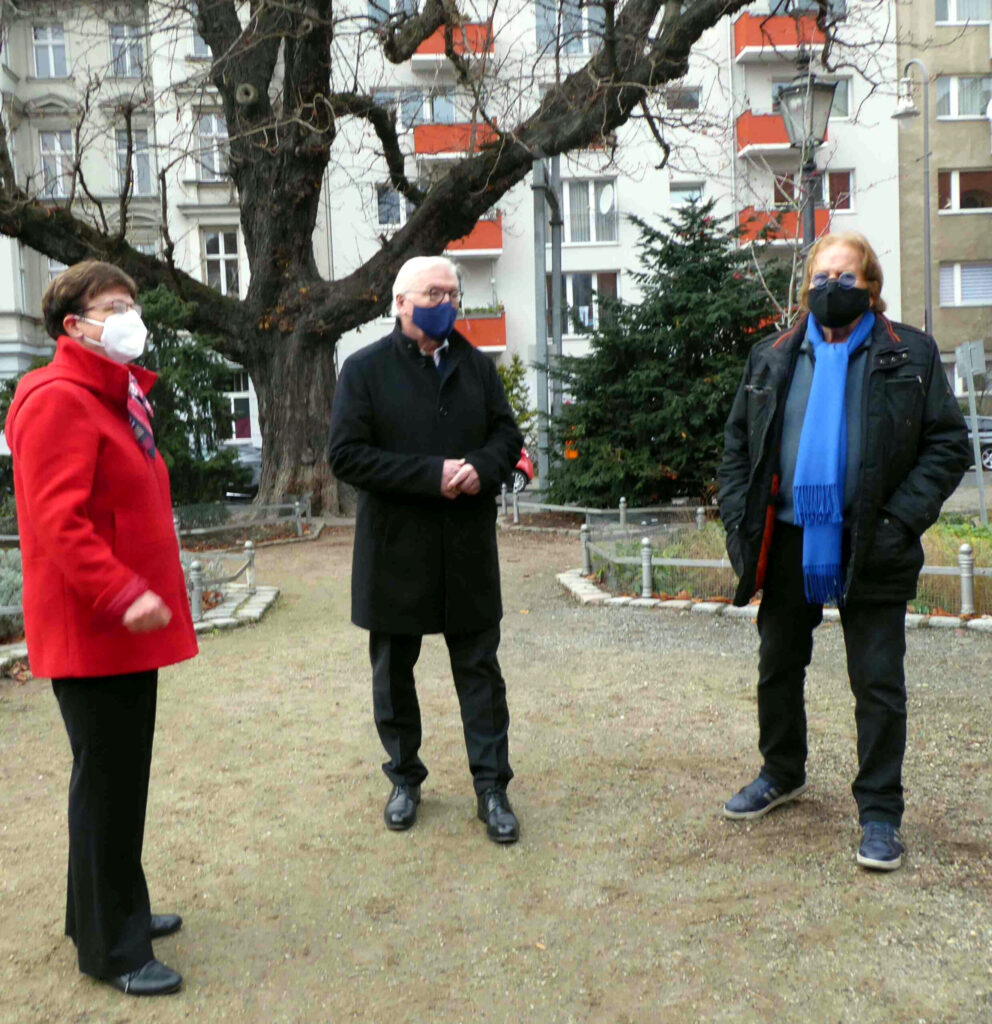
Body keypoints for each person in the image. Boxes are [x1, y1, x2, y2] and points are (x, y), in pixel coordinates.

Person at [717, 231, 970, 871]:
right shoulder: (773, 355)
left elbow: (948, 445)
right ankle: (781, 771)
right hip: (787, 536)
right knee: (778, 664)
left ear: (871, 286)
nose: (832, 288)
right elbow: (738, 446)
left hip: (873, 539)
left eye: (846, 277)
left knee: (877, 683)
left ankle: (880, 813)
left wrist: (898, 521)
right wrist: (737, 520)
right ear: (807, 287)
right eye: (821, 278)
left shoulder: (909, 352)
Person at [5, 261, 198, 994]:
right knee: (108, 785)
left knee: (114, 780)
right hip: (96, 627)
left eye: (132, 305)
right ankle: (113, 948)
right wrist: (121, 592)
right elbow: (59, 523)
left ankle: (101, 911)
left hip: (120, 626)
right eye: (114, 307)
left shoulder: (110, 395)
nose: (130, 318)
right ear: (74, 324)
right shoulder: (58, 399)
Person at [329, 255, 524, 843]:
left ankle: (492, 789)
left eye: (452, 293)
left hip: (466, 550)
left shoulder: (477, 367)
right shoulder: (363, 370)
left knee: (481, 675)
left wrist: (483, 468)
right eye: (433, 293)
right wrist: (430, 475)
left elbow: (506, 436)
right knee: (393, 676)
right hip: (395, 552)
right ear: (401, 303)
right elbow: (347, 455)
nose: (446, 303)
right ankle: (404, 778)